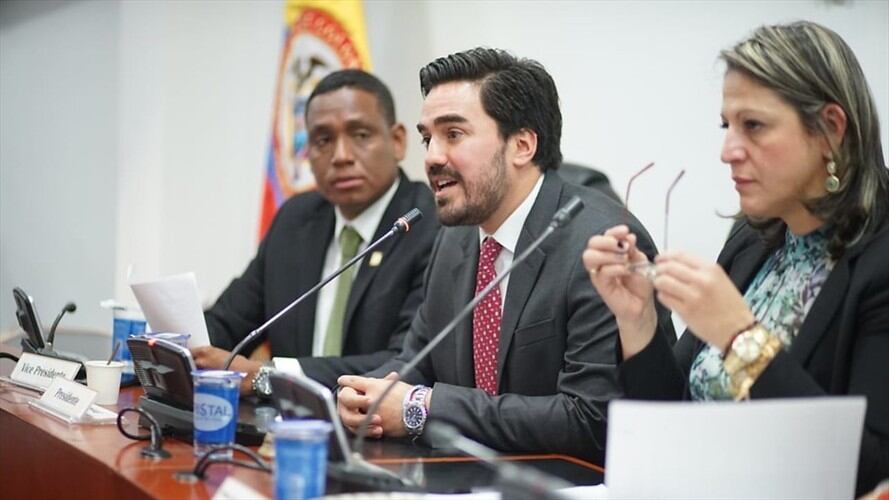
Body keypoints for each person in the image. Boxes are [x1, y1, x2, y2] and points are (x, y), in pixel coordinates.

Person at [582, 21, 888, 495]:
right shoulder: (753, 237)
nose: (727, 151)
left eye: (754, 126)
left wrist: (740, 339)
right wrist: (638, 319)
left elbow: (870, 469)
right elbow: (673, 419)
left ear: (830, 129)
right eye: (728, 126)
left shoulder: (880, 259)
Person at [336, 48, 674, 463]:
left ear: (522, 145)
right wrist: (369, 394)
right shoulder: (456, 237)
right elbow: (419, 358)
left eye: (453, 134)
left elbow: (590, 417)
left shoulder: (599, 245)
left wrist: (420, 407)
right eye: (428, 138)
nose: (431, 157)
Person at [193, 70, 439, 393]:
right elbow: (228, 323)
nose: (341, 157)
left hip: (377, 431)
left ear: (397, 141)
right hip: (286, 429)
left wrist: (270, 375)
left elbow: (404, 361)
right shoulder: (296, 220)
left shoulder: (431, 225)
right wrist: (179, 344)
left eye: (361, 135)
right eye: (323, 140)